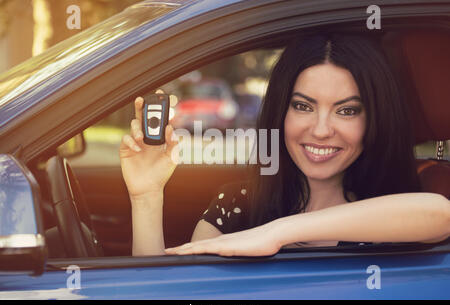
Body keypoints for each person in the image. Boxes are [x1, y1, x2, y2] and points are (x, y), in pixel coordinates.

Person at [120, 33, 450, 257]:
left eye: (347, 110)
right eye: (303, 106)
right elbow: (177, 297)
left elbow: (441, 215)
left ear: (372, 119)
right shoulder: (239, 204)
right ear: (281, 111)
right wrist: (146, 196)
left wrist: (278, 233)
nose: (321, 130)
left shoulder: (389, 208)